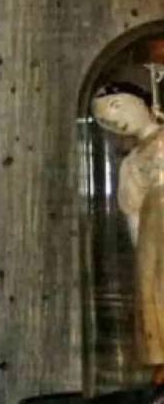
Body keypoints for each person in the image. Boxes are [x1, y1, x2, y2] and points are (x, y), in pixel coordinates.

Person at [93, 82, 164, 383]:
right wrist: (141, 253)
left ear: (141, 100)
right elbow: (133, 212)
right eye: (106, 122)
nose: (115, 121)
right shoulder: (131, 163)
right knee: (155, 292)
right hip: (154, 229)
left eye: (116, 107)